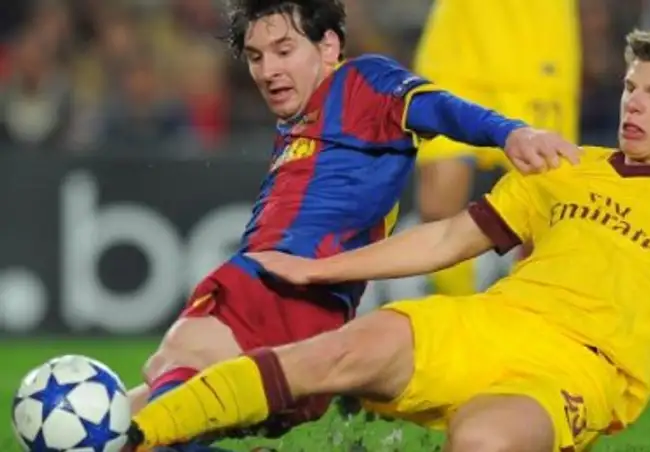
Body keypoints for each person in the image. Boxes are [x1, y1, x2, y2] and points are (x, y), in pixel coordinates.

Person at [125, 27, 650, 452]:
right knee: (337, 352)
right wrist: (318, 271)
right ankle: (136, 434)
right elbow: (449, 238)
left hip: (576, 369)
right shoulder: (567, 167)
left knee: (482, 440)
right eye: (629, 88)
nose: (633, 104)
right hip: (486, 322)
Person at [126, 0, 579, 449]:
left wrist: (510, 132)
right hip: (306, 317)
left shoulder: (361, 82)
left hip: (280, 290)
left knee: (172, 368)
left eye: (284, 50)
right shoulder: (300, 120)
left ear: (328, 47)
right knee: (129, 421)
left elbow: (437, 107)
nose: (268, 71)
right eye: (256, 57)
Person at [413, 0, 582, 296]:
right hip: (459, 46)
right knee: (437, 207)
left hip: (533, 48)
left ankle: (527, 314)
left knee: (544, 217)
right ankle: (457, 310)